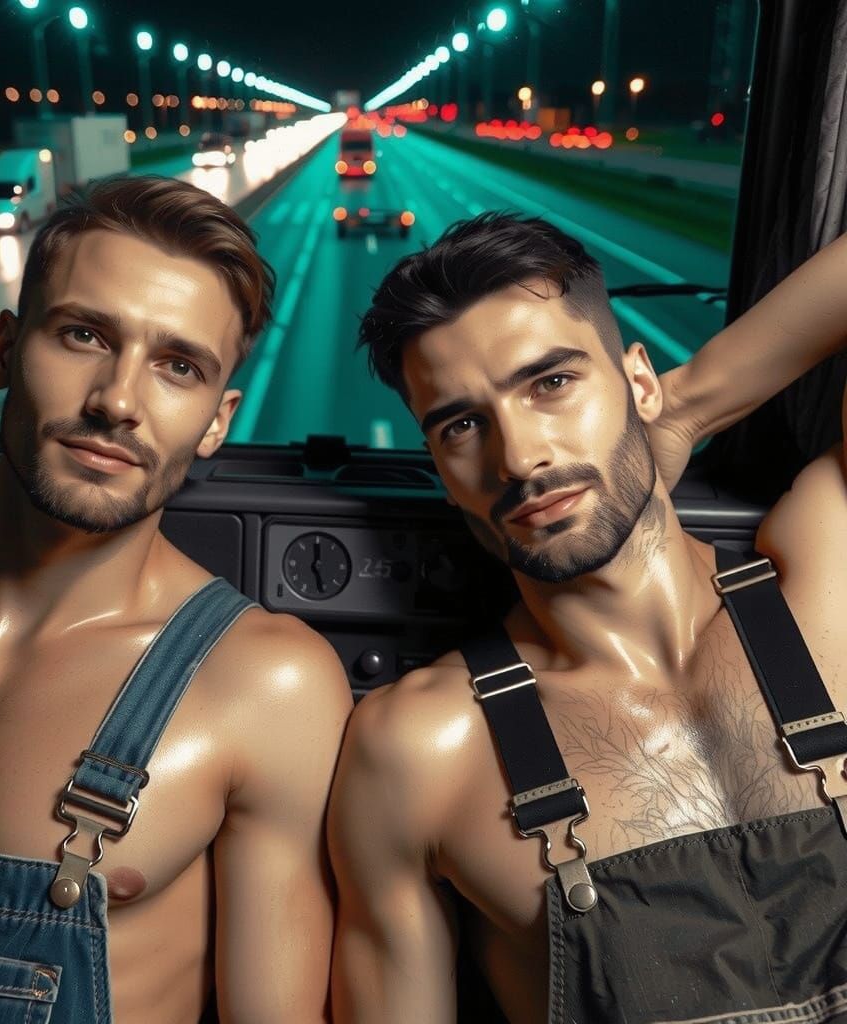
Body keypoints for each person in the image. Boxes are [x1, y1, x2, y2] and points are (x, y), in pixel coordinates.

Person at [0, 176, 352, 1024]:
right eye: (82, 335)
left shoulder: (264, 690)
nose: (115, 401)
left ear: (217, 421)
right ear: (3, 350)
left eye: (177, 367)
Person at [330, 212, 847, 1023]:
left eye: (552, 383)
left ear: (637, 379)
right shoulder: (422, 751)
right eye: (462, 424)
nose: (520, 456)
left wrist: (685, 407)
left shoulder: (830, 577)